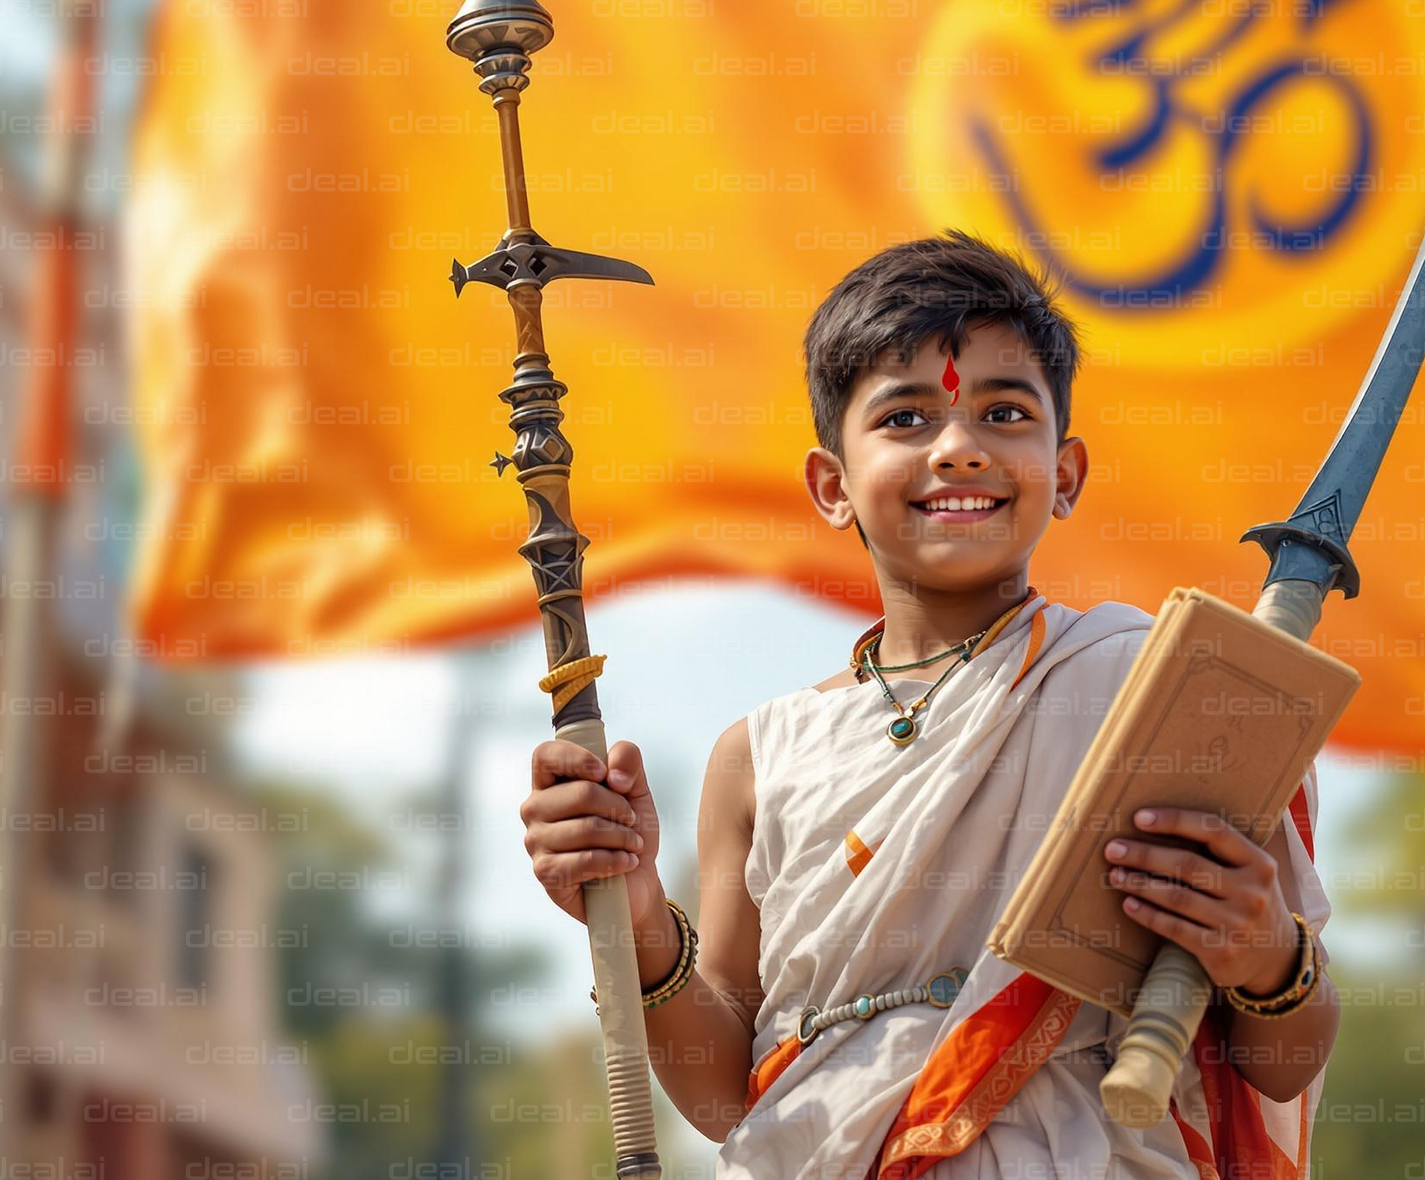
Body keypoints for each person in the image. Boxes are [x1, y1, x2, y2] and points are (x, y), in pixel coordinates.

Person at [520, 230, 1339, 1177]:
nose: (958, 448)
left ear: (1064, 472)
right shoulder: (757, 755)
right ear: (832, 486)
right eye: (907, 419)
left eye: (1002, 412)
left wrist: (1264, 953)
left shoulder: (1156, 691)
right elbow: (722, 1095)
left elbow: (1286, 1062)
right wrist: (639, 917)